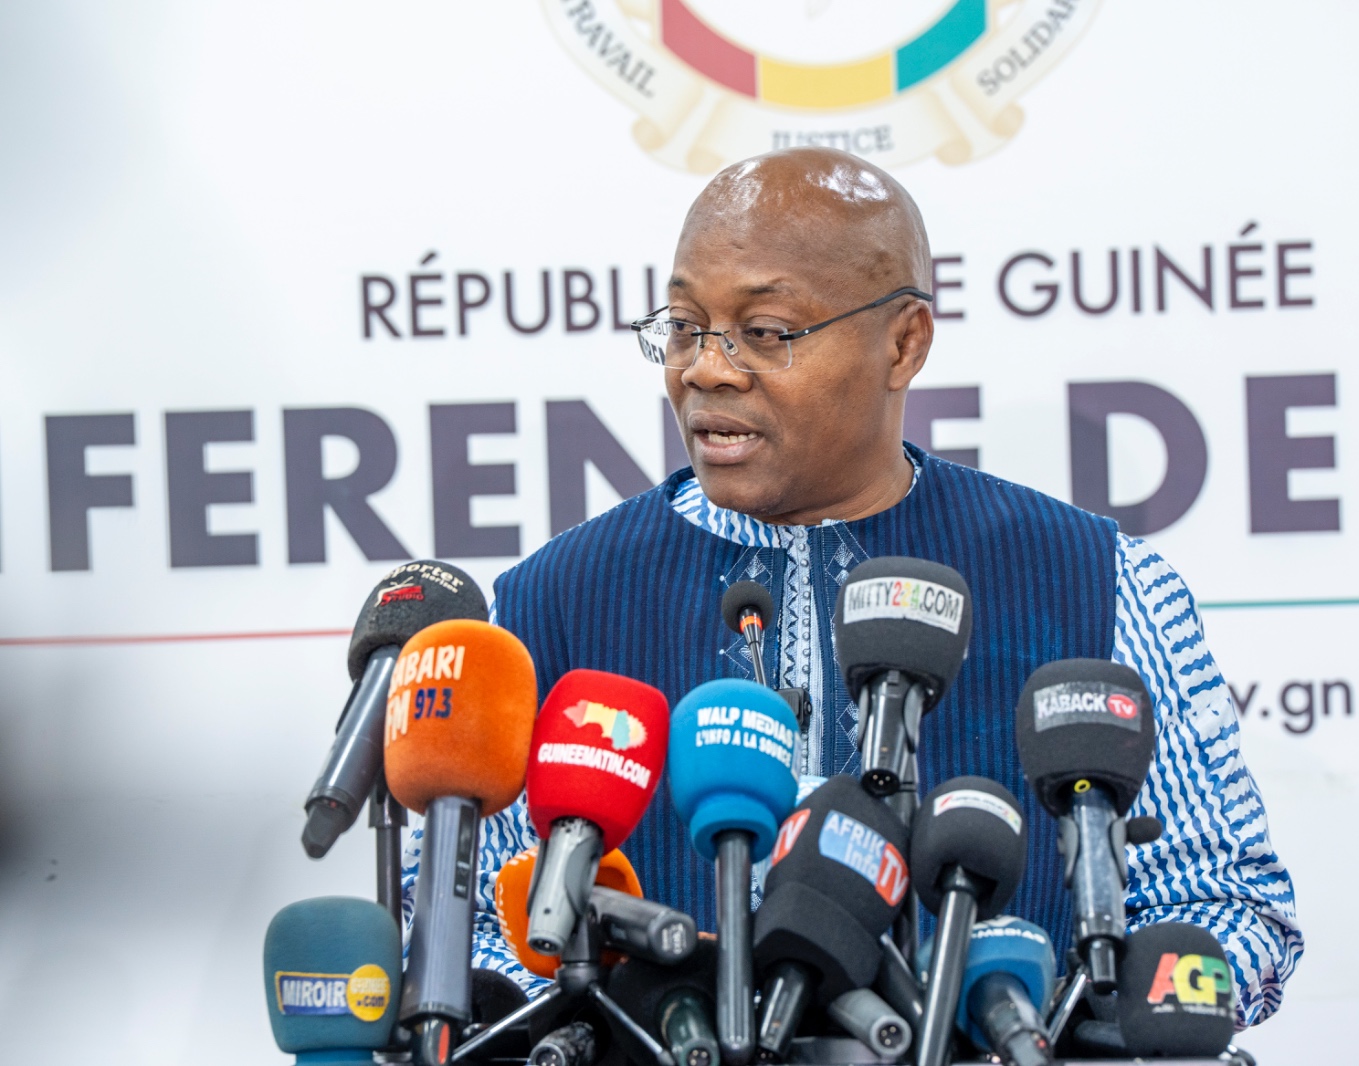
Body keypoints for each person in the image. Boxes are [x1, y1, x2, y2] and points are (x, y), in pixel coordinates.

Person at [403, 147, 1302, 1030]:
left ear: (904, 343)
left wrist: (1056, 1027)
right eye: (684, 326)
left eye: (765, 332)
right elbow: (461, 929)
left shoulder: (1099, 579)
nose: (706, 368)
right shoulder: (544, 605)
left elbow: (1223, 906)